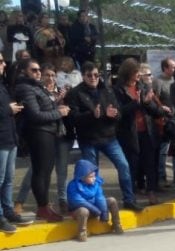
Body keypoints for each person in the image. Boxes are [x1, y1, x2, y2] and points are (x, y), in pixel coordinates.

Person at [66, 61, 144, 212]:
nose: (94, 78)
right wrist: (93, 115)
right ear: (83, 76)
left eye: (96, 75)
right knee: (91, 173)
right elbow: (74, 118)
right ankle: (96, 202)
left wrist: (111, 115)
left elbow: (118, 112)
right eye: (89, 75)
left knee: (124, 165)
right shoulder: (75, 94)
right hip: (88, 139)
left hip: (109, 137)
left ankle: (129, 199)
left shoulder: (107, 90)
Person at [14, 58, 70, 222]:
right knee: (40, 171)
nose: (38, 73)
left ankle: (44, 206)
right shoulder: (25, 88)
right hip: (38, 133)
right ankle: (42, 206)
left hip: (48, 132)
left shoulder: (36, 87)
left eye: (39, 70)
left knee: (46, 170)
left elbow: (45, 108)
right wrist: (59, 113)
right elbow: (35, 115)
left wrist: (57, 107)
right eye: (34, 70)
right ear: (25, 71)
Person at [113, 59, 164, 205]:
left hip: (147, 131)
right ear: (128, 73)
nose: (138, 75)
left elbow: (157, 111)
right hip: (129, 133)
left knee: (150, 163)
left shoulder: (144, 86)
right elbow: (119, 112)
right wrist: (136, 103)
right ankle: (130, 195)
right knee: (131, 165)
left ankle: (152, 192)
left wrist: (147, 103)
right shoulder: (118, 89)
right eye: (136, 72)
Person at [0, 52, 28, 233]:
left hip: (10, 137)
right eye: (0, 61)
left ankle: (8, 209)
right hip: (1, 140)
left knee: (9, 179)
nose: (3, 64)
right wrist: (7, 109)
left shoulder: (2, 85)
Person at [66, 159, 123, 241]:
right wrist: (96, 210)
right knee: (83, 210)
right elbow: (78, 201)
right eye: (91, 177)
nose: (94, 178)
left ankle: (117, 225)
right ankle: (82, 232)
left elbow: (100, 197)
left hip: (96, 210)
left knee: (112, 200)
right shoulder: (73, 186)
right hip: (80, 212)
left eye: (94, 176)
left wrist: (104, 212)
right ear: (82, 177)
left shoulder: (95, 183)